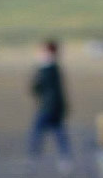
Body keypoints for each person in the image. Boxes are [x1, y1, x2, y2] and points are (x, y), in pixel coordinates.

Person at [29, 38, 72, 168]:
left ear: (49, 52)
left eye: (43, 51)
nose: (40, 53)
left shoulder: (48, 69)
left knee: (37, 131)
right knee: (59, 133)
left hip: (48, 107)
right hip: (55, 107)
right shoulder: (55, 68)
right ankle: (65, 159)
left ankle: (33, 158)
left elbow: (37, 87)